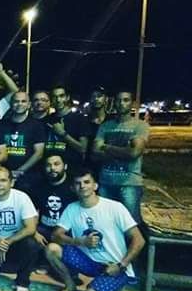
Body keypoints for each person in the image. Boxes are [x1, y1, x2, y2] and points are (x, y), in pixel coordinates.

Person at [46, 168, 145, 291]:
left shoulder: (114, 207)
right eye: (78, 183)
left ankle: (118, 290)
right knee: (52, 249)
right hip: (88, 261)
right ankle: (70, 287)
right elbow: (55, 235)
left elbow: (139, 240)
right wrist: (80, 241)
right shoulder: (72, 208)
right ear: (73, 188)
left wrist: (121, 265)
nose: (82, 186)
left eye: (87, 182)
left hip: (113, 266)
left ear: (95, 186)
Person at [92, 91, 149, 225]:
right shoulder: (105, 126)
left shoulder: (140, 125)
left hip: (130, 182)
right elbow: (95, 152)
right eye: (118, 100)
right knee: (106, 222)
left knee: (131, 224)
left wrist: (106, 147)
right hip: (106, 182)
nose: (121, 103)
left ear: (132, 103)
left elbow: (134, 153)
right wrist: (125, 151)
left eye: (126, 100)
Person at [0, 91, 46, 193]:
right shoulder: (0, 125)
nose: (20, 104)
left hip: (29, 177)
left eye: (23, 101)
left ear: (29, 104)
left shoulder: (37, 125)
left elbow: (39, 153)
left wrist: (19, 171)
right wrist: (2, 171)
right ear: (11, 104)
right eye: (16, 101)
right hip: (3, 176)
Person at [44, 85, 90, 171]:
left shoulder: (79, 118)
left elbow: (83, 148)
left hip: (72, 169)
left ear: (67, 97)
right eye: (54, 97)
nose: (58, 100)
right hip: (51, 169)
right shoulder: (48, 119)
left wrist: (63, 133)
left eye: (61, 96)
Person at [33, 154, 76, 244]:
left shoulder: (74, 187)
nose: (52, 168)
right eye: (48, 165)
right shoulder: (38, 186)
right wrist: (34, 233)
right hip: (43, 230)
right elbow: (34, 213)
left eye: (56, 164)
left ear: (65, 166)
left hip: (66, 232)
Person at [84, 87, 109, 176]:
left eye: (99, 96)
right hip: (88, 167)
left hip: (108, 166)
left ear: (106, 99)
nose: (96, 99)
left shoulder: (112, 121)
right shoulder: (84, 121)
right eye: (93, 96)